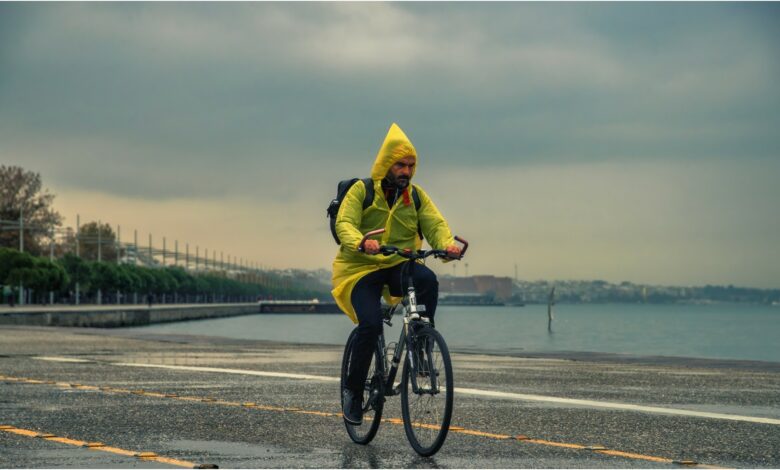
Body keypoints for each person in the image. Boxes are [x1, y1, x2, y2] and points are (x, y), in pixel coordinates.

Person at [332, 123, 461, 425]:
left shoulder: (415, 196)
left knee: (427, 279)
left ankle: (422, 342)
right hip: (360, 268)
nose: (406, 171)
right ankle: (353, 392)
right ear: (386, 164)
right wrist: (361, 241)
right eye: (400, 165)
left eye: (411, 166)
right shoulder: (362, 191)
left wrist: (447, 246)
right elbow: (344, 223)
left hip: (397, 264)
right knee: (370, 325)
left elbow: (435, 225)